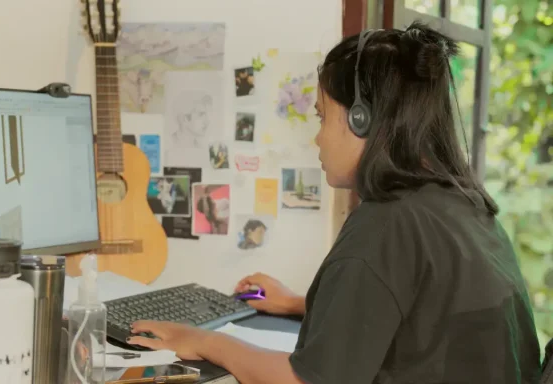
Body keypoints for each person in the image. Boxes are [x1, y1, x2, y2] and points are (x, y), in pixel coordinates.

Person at [127, 22, 542, 384]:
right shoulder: (463, 205)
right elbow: (421, 314)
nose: (318, 138)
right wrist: (299, 304)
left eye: (323, 117)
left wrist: (205, 340)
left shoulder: (387, 222)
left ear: (362, 119)